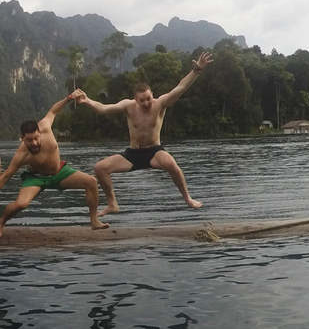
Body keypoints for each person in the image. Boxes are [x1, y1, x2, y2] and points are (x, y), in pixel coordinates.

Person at [72, 51, 213, 213]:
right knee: (100, 168)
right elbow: (103, 109)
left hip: (154, 151)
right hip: (133, 154)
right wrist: (87, 101)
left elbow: (180, 87)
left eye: (148, 98)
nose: (146, 103)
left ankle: (188, 198)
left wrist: (196, 70)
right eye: (142, 100)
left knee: (172, 165)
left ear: (152, 95)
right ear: (135, 99)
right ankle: (112, 204)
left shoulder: (160, 104)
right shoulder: (128, 106)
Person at [0, 95, 109, 241]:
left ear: (40, 132)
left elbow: (53, 111)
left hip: (60, 172)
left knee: (91, 182)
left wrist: (69, 98)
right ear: (22, 138)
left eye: (36, 138)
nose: (35, 143)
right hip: (36, 178)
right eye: (29, 140)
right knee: (21, 204)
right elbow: (6, 176)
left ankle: (94, 221)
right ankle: (1, 222)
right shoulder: (21, 155)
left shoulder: (45, 126)